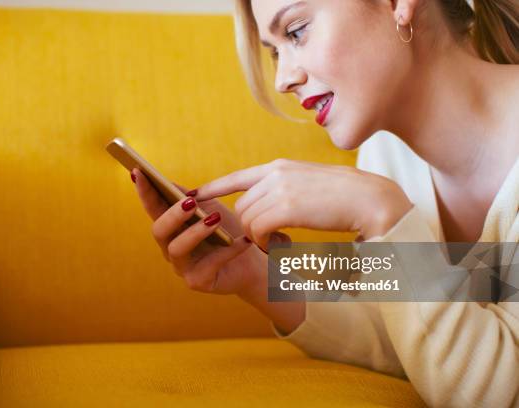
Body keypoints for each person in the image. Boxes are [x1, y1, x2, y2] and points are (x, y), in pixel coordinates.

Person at [131, 0, 519, 406]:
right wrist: (253, 273)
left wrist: (382, 213)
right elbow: (412, 332)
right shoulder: (386, 155)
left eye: (297, 31)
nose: (282, 79)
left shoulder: (379, 186)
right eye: (275, 51)